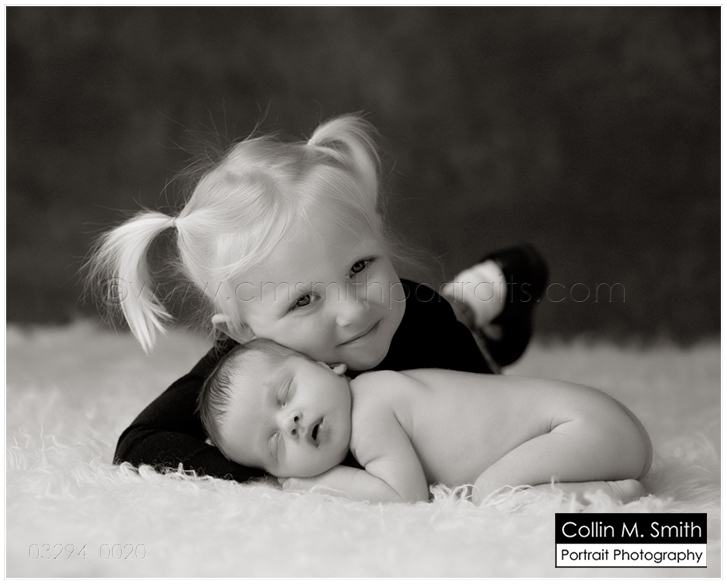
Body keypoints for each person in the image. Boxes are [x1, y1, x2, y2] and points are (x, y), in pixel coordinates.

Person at [86, 114, 548, 483]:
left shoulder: (425, 321)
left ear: (378, 236)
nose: (353, 310)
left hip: (442, 338)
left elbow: (502, 416)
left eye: (360, 267)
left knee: (466, 325)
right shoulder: (250, 371)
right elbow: (140, 443)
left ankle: (486, 291)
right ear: (244, 332)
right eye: (304, 300)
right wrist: (266, 477)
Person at [197, 339, 652, 504]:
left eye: (285, 394)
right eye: (275, 444)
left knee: (495, 493)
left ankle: (608, 495)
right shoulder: (375, 393)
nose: (291, 422)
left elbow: (405, 496)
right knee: (498, 490)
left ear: (327, 366)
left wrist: (313, 483)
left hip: (580, 427)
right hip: (597, 421)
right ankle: (607, 483)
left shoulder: (371, 409)